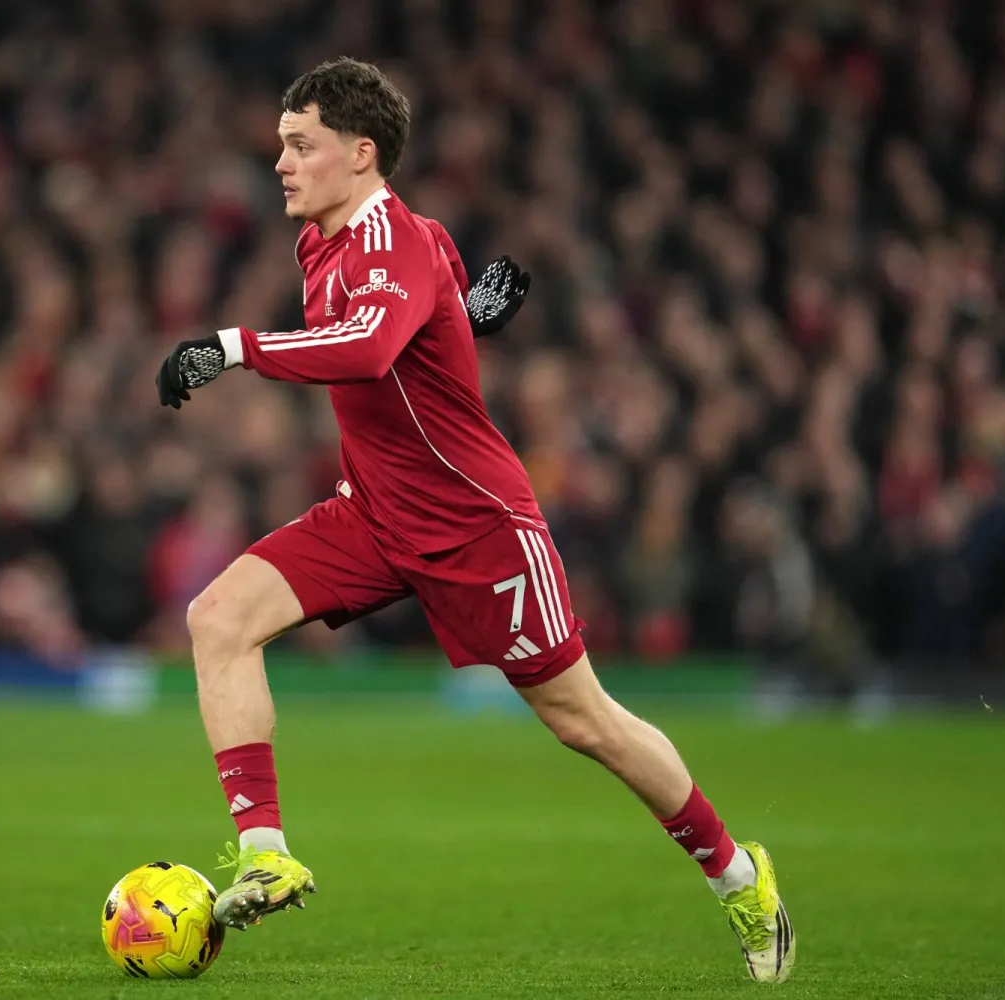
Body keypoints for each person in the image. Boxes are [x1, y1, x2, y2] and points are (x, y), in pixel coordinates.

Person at [154, 57, 795, 983]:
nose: (283, 164)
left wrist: (231, 348)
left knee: (585, 723)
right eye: (282, 146)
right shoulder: (330, 243)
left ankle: (739, 876)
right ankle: (264, 855)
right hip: (375, 513)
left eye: (302, 146)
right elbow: (432, 297)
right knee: (217, 618)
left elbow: (373, 347)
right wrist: (465, 316)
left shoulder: (394, 242)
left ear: (362, 153)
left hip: (476, 525)